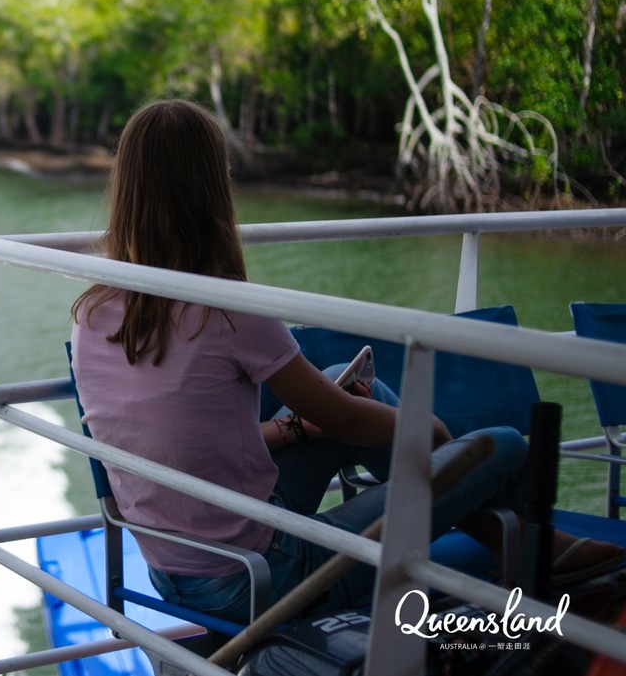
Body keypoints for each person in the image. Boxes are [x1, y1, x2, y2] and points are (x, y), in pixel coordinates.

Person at [69, 98, 622, 626]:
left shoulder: (92, 313)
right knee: (500, 448)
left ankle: (527, 545)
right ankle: (534, 547)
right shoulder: (226, 308)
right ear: (213, 189)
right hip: (262, 577)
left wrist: (295, 428)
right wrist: (429, 432)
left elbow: (185, 445)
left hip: (173, 568)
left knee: (344, 383)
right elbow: (347, 422)